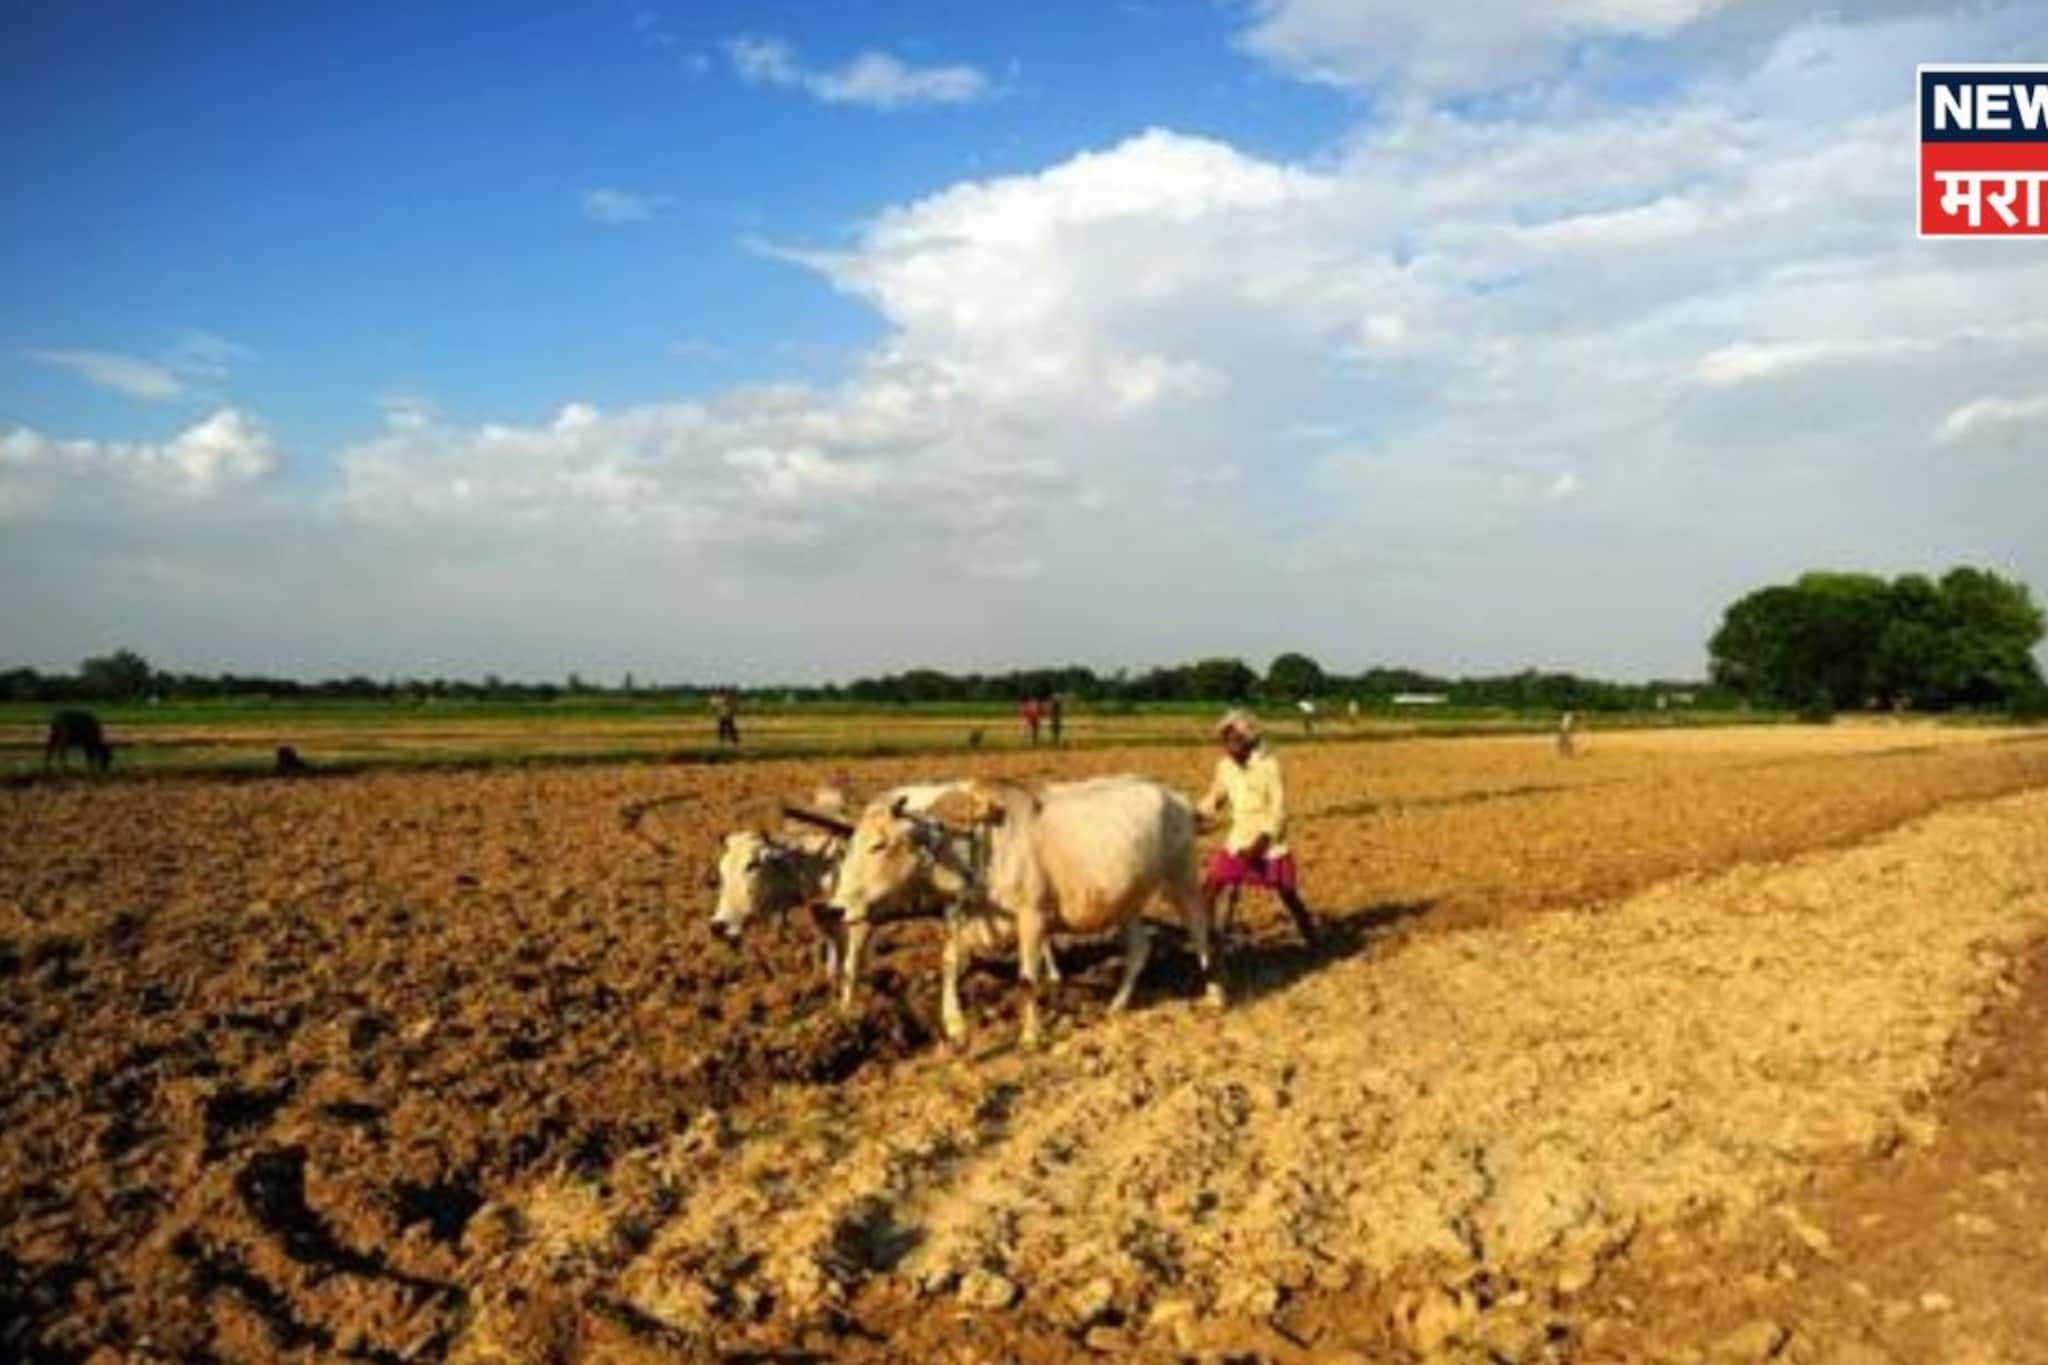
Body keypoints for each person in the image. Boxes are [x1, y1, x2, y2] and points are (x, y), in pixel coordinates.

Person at [1198, 709, 1318, 947]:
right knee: (1209, 889)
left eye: (1234, 740)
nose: (1229, 746)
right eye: (1225, 741)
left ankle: (1312, 938)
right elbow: (1216, 797)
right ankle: (1208, 943)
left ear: (1249, 740)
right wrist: (1196, 815)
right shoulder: (1225, 766)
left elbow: (1278, 812)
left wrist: (1259, 845)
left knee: (1288, 894)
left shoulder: (1269, 766)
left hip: (1268, 845)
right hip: (1238, 841)